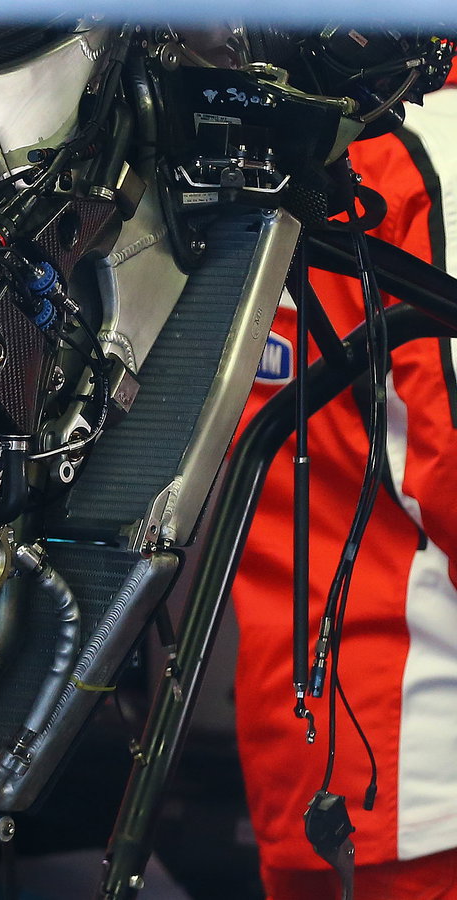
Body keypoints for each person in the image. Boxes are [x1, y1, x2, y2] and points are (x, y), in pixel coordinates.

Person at [233, 74, 457, 899]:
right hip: (428, 746)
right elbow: (450, 463)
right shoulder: (431, 148)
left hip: (295, 732)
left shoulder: (240, 144)